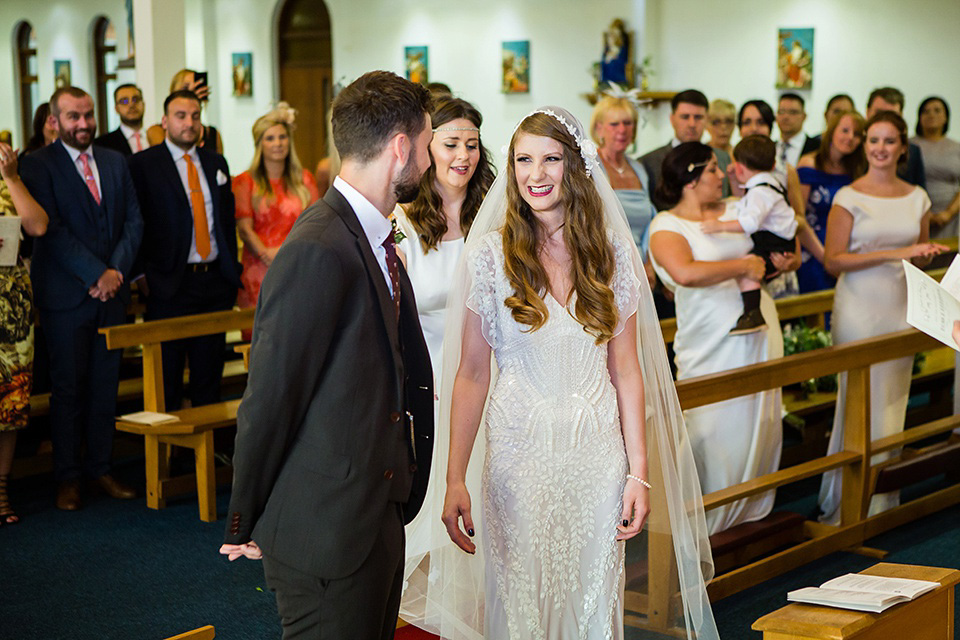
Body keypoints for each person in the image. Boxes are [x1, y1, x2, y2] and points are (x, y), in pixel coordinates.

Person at [405, 107, 719, 639]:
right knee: (520, 597)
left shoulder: (612, 254)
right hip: (514, 454)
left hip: (595, 452)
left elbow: (628, 369)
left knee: (591, 598)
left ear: (575, 165)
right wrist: (455, 476)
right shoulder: (489, 256)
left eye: (550, 159)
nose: (536, 174)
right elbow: (471, 375)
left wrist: (638, 472)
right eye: (523, 160)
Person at [220, 71, 435, 640]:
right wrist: (243, 515)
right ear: (400, 148)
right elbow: (271, 394)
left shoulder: (371, 235)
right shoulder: (318, 246)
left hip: (374, 513)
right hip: (327, 534)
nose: (431, 162)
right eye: (429, 144)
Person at [818, 111, 946, 525]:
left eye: (889, 141)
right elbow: (834, 260)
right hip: (858, 308)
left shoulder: (917, 198)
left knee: (893, 401)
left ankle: (881, 501)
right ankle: (847, 504)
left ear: (902, 148)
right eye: (873, 140)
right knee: (858, 402)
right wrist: (897, 252)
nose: (879, 148)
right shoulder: (849, 196)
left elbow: (920, 256)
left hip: (900, 305)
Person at [649, 142, 784, 535]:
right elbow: (685, 272)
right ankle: (702, 527)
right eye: (712, 169)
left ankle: (751, 516)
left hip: (758, 327)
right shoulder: (667, 226)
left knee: (761, 422)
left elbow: (769, 247)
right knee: (711, 429)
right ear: (690, 179)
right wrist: (743, 264)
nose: (722, 174)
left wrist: (776, 262)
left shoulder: (735, 210)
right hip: (709, 338)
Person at [19, 87, 143, 511]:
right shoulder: (36, 166)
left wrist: (115, 274)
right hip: (66, 296)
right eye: (74, 116)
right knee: (69, 390)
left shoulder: (113, 160)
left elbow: (133, 221)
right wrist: (96, 274)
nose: (84, 124)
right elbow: (50, 232)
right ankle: (68, 478)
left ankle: (101, 469)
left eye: (88, 115)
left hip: (110, 296)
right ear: (54, 120)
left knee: (105, 387)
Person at [393, 98, 494, 611]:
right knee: (436, 509)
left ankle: (483, 610)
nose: (463, 156)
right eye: (451, 143)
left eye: (472, 145)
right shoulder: (405, 223)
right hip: (430, 385)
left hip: (491, 380)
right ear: (427, 147)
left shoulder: (495, 217)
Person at [128, 90, 240, 412]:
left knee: (209, 377)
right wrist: (142, 275)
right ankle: (171, 458)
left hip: (214, 282)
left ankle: (209, 454)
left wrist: (232, 271)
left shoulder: (215, 162)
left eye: (195, 116)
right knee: (169, 378)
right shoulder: (143, 164)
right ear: (164, 121)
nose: (189, 123)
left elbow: (225, 218)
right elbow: (134, 222)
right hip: (168, 284)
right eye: (181, 116)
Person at [233, 102, 319, 339]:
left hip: (297, 264)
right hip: (259, 269)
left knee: (298, 337)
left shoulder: (304, 180)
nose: (278, 143)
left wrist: (284, 252)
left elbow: (314, 224)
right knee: (264, 339)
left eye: (282, 137)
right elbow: (244, 229)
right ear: (259, 143)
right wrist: (266, 254)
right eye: (270, 138)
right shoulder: (245, 182)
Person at [701, 135, 797, 333]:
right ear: (772, 164)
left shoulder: (760, 192)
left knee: (747, 267)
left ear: (739, 167)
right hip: (777, 241)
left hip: (774, 244)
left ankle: (753, 313)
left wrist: (720, 226)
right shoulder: (770, 184)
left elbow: (750, 222)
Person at [0, 141, 48, 524]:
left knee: (10, 403)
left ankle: (1, 489)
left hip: (11, 310)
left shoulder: (8, 179)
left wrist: (12, 177)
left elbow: (38, 225)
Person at [795, 110, 867, 292]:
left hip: (848, 251)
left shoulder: (858, 170)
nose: (850, 137)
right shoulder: (809, 164)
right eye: (845, 130)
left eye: (857, 134)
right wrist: (826, 258)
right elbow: (798, 218)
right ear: (832, 130)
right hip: (813, 250)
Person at [640, 89, 730, 211]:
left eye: (698, 117)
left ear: (706, 120)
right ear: (672, 119)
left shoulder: (722, 158)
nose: (692, 124)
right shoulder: (648, 163)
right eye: (685, 117)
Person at [590, 92, 656, 255]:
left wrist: (648, 262)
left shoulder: (639, 169)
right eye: (614, 124)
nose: (622, 130)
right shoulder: (590, 166)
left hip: (642, 260)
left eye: (628, 123)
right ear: (599, 128)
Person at [911, 97, 960, 238]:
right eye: (926, 111)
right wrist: (926, 214)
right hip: (915, 216)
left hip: (952, 218)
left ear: (946, 117)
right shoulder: (908, 146)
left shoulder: (956, 148)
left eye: (937, 110)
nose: (931, 115)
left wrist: (949, 213)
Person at [146, 69, 223, 153]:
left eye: (196, 87)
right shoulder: (157, 131)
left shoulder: (212, 134)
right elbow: (165, 157)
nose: (190, 93)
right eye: (185, 88)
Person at [865, 87, 925, 188]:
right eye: (879, 113)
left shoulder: (913, 151)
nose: (884, 119)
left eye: (892, 115)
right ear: (867, 112)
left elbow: (920, 192)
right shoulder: (851, 146)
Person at [94, 84, 146, 156]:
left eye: (135, 99)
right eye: (124, 101)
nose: (131, 105)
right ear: (116, 108)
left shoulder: (157, 137)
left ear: (143, 104)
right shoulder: (102, 144)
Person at [775, 93, 819, 168]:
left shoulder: (818, 148)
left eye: (793, 112)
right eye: (781, 111)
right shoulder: (769, 147)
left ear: (804, 116)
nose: (786, 117)